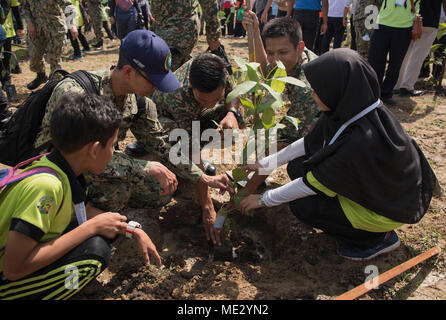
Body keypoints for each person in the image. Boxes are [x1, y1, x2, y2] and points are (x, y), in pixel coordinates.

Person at [32, 30, 233, 247]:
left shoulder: (139, 102)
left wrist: (200, 177)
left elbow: (162, 145)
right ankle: (72, 217)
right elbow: (70, 154)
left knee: (161, 191)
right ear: (129, 71)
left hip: (98, 163)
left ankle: (89, 206)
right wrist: (143, 167)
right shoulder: (75, 93)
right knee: (116, 193)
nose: (158, 88)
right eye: (154, 81)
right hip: (58, 173)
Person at [239, 48, 437, 261]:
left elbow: (310, 184)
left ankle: (376, 239)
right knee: (297, 165)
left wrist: (264, 200)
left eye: (318, 90)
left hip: (386, 208)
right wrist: (267, 162)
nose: (313, 94)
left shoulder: (360, 141)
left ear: (337, 89)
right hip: (377, 186)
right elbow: (309, 143)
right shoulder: (352, 108)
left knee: (303, 206)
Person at [0, 92, 162, 300]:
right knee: (94, 254)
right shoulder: (46, 187)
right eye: (112, 146)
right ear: (95, 150)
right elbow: (13, 268)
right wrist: (90, 228)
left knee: (100, 233)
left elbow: (82, 209)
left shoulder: (56, 166)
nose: (114, 153)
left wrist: (132, 228)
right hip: (7, 278)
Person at [149, 53, 241, 245]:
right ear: (190, 83)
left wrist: (231, 113)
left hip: (194, 117)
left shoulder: (218, 71)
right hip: (165, 122)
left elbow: (235, 93)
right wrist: (207, 205)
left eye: (216, 98)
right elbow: (191, 149)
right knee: (177, 136)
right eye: (203, 99)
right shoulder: (178, 96)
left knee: (237, 116)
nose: (211, 104)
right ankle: (167, 159)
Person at [242, 12, 320, 144]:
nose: (276, 60)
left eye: (282, 52)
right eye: (270, 53)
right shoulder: (290, 59)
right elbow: (266, 71)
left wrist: (259, 149)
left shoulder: (306, 86)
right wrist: (255, 31)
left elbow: (285, 138)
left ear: (299, 47)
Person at [367, 0, 420, 106]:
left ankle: (386, 93)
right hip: (382, 23)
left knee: (395, 64)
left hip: (404, 28)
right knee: (375, 61)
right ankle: (374, 93)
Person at [21, 0, 79, 91]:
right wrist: (29, 22)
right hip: (36, 28)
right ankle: (41, 76)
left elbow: (67, 5)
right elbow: (24, 6)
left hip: (55, 27)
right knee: (34, 57)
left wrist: (71, 24)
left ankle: (56, 85)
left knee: (54, 58)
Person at [150, 0, 223, 72]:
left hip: (177, 40)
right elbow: (210, 5)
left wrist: (213, 36)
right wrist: (213, 37)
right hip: (180, 38)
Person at [395, 0, 446, 96]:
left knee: (405, 54)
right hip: (429, 21)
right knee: (418, 55)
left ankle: (397, 85)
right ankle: (407, 86)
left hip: (410, 19)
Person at [0, 0, 24, 102]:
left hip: (7, 31)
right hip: (3, 32)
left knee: (6, 59)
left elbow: (15, 10)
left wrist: (20, 27)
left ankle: (7, 83)